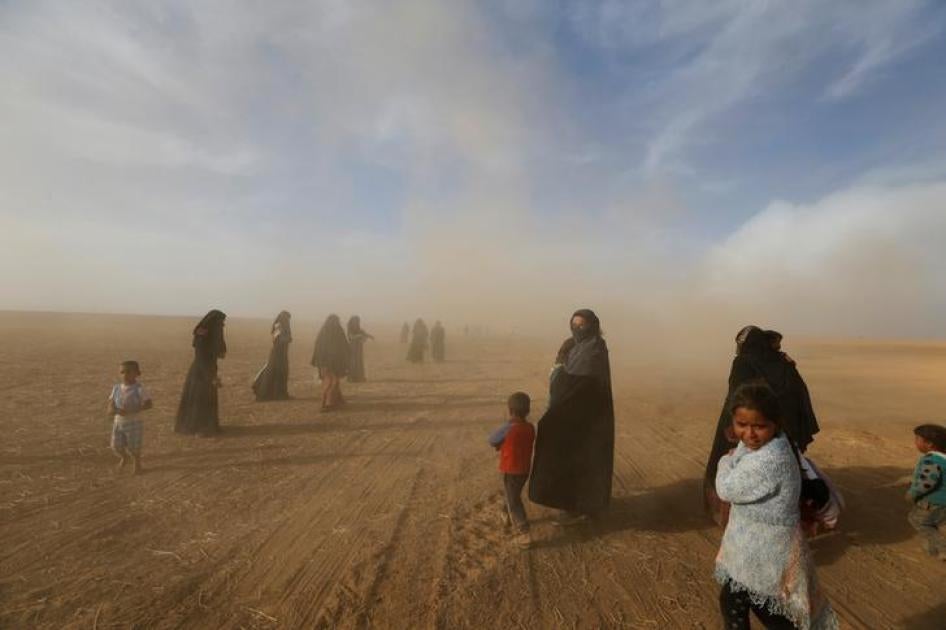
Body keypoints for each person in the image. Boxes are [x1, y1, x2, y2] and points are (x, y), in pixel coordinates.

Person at [715, 383, 838, 629]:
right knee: (734, 602)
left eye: (759, 426)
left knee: (769, 612)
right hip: (753, 547)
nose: (749, 434)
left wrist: (724, 462)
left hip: (767, 552)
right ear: (733, 421)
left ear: (776, 423)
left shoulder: (771, 459)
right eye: (742, 425)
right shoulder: (767, 445)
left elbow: (726, 489)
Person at [704, 326, 820, 525]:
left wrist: (733, 427)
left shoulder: (743, 363)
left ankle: (734, 520)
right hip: (782, 429)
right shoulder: (782, 362)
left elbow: (736, 397)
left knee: (738, 468)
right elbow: (797, 396)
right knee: (787, 473)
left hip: (751, 427)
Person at [529, 309, 614, 523]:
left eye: (582, 324)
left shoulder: (593, 349)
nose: (577, 328)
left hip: (585, 416)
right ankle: (582, 505)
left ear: (592, 325)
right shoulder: (579, 346)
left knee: (579, 459)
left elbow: (577, 384)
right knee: (577, 459)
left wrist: (559, 375)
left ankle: (577, 508)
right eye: (574, 324)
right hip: (576, 414)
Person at [488, 392, 536, 548]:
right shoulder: (530, 428)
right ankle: (506, 512)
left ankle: (524, 533)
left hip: (511, 470)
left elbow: (492, 440)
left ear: (510, 410)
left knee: (514, 499)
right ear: (527, 411)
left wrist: (501, 442)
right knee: (511, 493)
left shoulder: (509, 427)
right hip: (524, 470)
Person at [176, 310, 227, 436]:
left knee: (206, 398)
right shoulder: (203, 334)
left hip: (208, 368)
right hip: (201, 371)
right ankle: (200, 427)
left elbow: (221, 352)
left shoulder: (210, 332)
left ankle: (205, 425)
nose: (223, 326)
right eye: (221, 323)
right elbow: (201, 356)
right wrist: (210, 376)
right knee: (200, 398)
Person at [905, 424, 946, 560]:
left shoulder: (932, 460)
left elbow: (927, 482)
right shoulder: (943, 458)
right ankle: (932, 548)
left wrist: (913, 492)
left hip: (933, 502)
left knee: (919, 521)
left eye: (917, 439)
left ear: (929, 444)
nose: (915, 442)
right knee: (934, 521)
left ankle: (942, 547)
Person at [108, 360, 152, 474]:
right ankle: (124, 457)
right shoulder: (116, 388)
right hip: (118, 421)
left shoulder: (139, 389)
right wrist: (114, 410)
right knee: (115, 445)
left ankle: (137, 464)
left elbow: (149, 404)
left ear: (137, 373)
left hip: (134, 421)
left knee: (134, 446)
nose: (125, 375)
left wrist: (136, 409)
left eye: (128, 372)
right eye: (122, 372)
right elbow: (110, 404)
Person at [312, 314, 350, 412]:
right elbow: (344, 346)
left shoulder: (325, 332)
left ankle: (334, 401)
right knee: (332, 383)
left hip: (329, 363)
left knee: (332, 382)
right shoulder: (334, 331)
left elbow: (318, 348)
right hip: (331, 363)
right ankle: (326, 404)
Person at [252, 311, 292, 401]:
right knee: (275, 372)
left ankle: (279, 394)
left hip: (280, 353)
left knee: (281, 373)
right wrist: (288, 338)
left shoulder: (279, 325)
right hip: (278, 354)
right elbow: (280, 340)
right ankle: (275, 394)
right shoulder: (279, 326)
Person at [347, 315, 374, 383]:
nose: (357, 323)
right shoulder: (350, 329)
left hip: (358, 347)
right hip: (353, 348)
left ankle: (359, 377)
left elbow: (364, 334)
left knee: (359, 362)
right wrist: (360, 336)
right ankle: (352, 378)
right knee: (353, 362)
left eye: (358, 321)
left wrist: (369, 336)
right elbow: (351, 337)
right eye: (356, 321)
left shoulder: (359, 329)